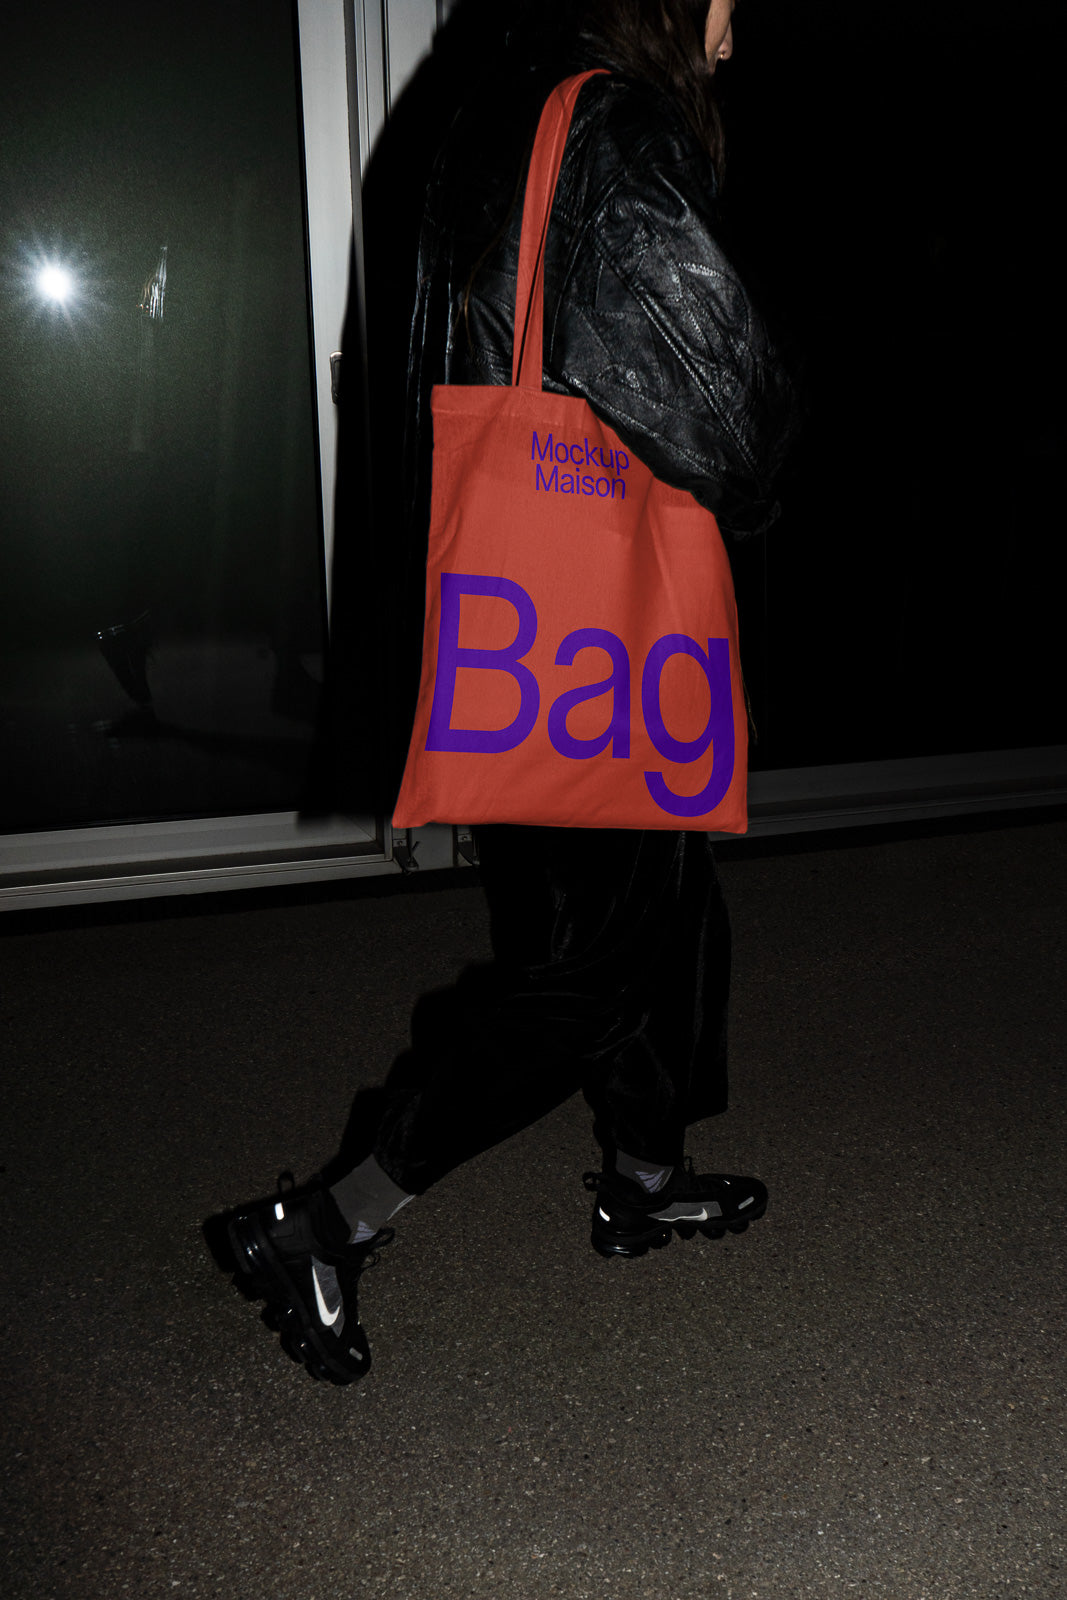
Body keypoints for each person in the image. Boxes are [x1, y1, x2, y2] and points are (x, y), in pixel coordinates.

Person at [222, 0, 795, 1385]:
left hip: (519, 610)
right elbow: (725, 403)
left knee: (647, 912)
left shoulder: (505, 100)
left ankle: (647, 1172)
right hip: (594, 629)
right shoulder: (615, 131)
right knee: (595, 958)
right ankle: (332, 1221)